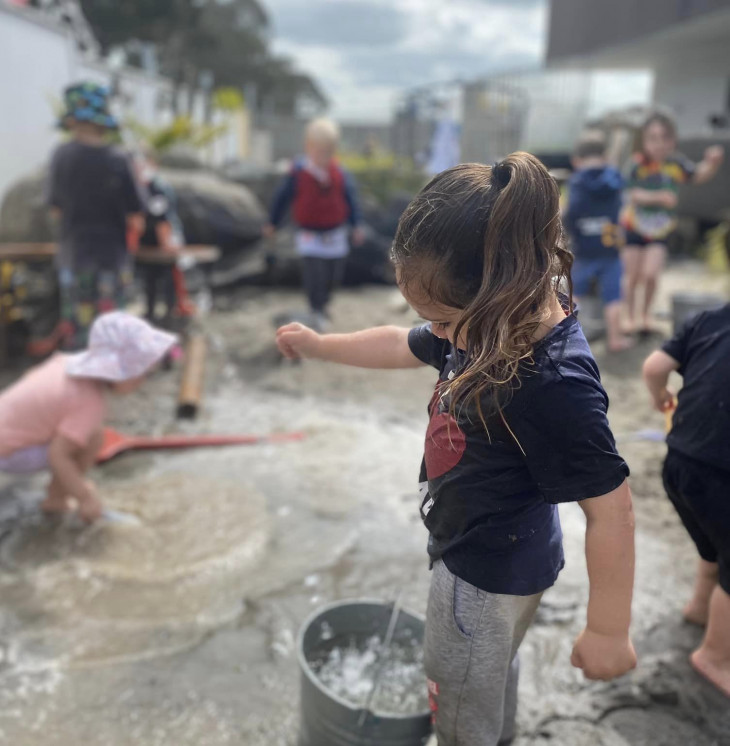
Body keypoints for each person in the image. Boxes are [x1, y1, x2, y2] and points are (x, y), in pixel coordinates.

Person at [277, 153, 637, 745]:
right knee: (490, 669)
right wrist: (321, 345)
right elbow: (399, 342)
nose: (435, 334)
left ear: (498, 289)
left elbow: (612, 509)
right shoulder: (492, 317)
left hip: (484, 574)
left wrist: (606, 628)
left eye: (442, 321)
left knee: (459, 686)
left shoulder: (552, 381)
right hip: (497, 552)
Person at [0, 312, 176, 523]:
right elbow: (57, 456)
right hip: (4, 453)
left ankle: (58, 491)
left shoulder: (66, 360)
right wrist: (85, 496)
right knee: (91, 438)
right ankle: (56, 500)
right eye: (143, 374)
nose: (143, 381)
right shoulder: (89, 403)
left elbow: (30, 376)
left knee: (79, 434)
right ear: (120, 372)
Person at [643, 305, 730, 698]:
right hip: (721, 474)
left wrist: (661, 397)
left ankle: (699, 607)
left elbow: (654, 367)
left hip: (679, 464)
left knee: (713, 543)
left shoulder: (709, 318)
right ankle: (714, 656)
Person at [48, 82, 145, 349]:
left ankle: (78, 378)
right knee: (111, 327)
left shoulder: (61, 156)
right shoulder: (119, 158)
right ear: (104, 123)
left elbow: (56, 209)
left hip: (74, 256)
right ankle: (109, 381)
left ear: (71, 121)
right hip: (112, 258)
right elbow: (136, 214)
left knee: (79, 329)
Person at [620, 112, 724, 336]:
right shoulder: (637, 164)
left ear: (673, 140)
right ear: (644, 141)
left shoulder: (675, 163)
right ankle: (628, 316)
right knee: (632, 275)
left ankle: (645, 315)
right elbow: (630, 192)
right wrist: (657, 197)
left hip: (661, 228)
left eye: (664, 138)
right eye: (652, 138)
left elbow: (697, 175)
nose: (659, 144)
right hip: (634, 225)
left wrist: (712, 163)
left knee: (651, 273)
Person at [263, 118, 364, 329]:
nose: (324, 157)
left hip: (335, 232)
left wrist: (356, 225)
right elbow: (282, 199)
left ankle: (324, 303)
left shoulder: (340, 174)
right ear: (308, 148)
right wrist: (272, 222)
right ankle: (315, 308)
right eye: (319, 151)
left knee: (332, 275)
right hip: (310, 234)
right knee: (313, 274)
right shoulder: (298, 173)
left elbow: (351, 200)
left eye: (328, 152)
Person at [564, 134, 632, 352]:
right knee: (613, 295)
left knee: (575, 295)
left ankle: (566, 340)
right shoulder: (615, 179)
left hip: (583, 248)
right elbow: (621, 209)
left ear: (577, 160)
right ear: (604, 156)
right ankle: (615, 339)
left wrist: (570, 234)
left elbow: (570, 213)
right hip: (610, 245)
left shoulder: (576, 181)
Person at [135, 147, 183, 325]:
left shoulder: (158, 187)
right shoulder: (139, 186)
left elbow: (162, 219)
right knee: (149, 278)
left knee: (168, 275)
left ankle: (171, 312)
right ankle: (150, 312)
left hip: (165, 239)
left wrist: (166, 244)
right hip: (147, 241)